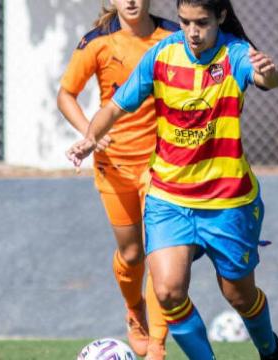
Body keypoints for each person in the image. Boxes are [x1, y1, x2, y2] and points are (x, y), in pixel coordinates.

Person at [66, 0, 278, 359]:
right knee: (168, 291)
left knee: (239, 296)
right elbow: (115, 107)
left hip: (227, 200)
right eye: (184, 22)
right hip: (169, 197)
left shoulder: (236, 54)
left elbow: (267, 79)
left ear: (221, 17)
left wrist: (271, 72)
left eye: (201, 22)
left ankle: (270, 351)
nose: (192, 32)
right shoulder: (162, 55)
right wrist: (90, 139)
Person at [57, 1, 178, 358]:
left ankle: (157, 344)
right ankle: (133, 309)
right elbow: (66, 95)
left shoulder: (172, 37)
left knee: (159, 252)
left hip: (161, 165)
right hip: (114, 164)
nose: (131, 1)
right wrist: (90, 133)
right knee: (132, 252)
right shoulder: (96, 42)